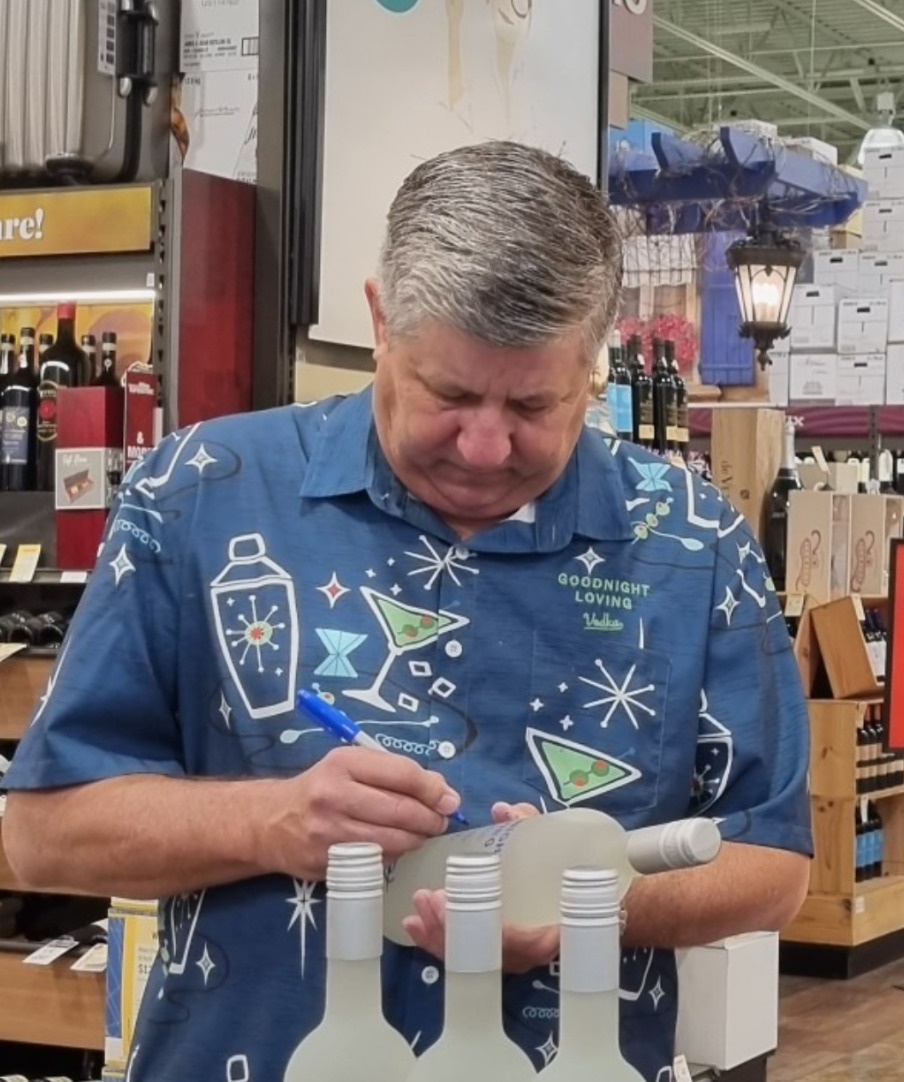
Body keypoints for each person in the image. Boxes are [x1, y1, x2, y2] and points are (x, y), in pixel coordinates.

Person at [2, 141, 810, 1082]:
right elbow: (42, 834)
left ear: (594, 362)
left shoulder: (691, 540)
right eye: (451, 393)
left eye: (534, 405)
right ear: (381, 321)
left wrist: (589, 908)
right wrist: (270, 820)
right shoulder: (201, 495)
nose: (484, 445)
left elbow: (773, 864)